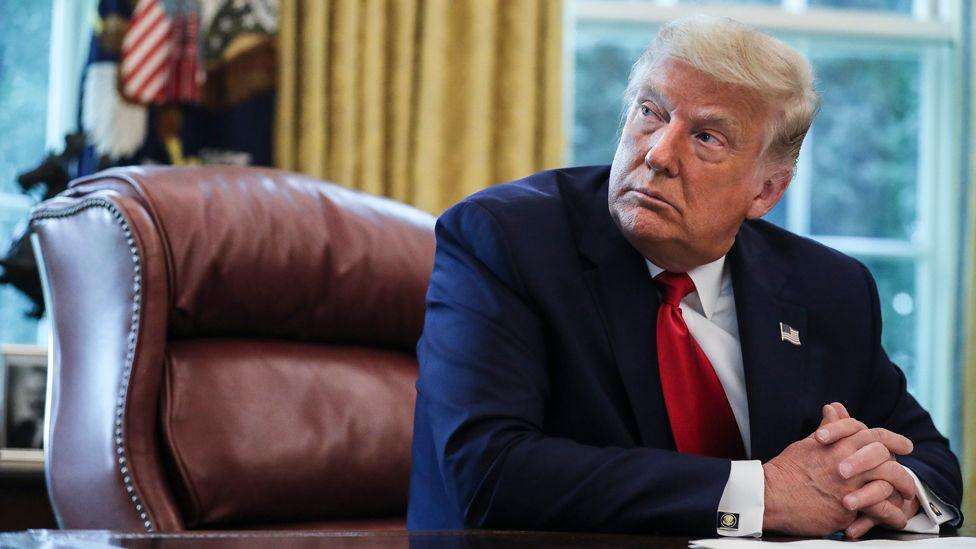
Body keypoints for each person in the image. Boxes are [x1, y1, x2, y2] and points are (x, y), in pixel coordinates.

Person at [406, 15, 962, 538]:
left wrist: (893, 489)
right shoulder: (506, 241)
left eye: (707, 138)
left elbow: (929, 460)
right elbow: (490, 472)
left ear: (766, 190)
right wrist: (766, 493)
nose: (659, 154)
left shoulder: (827, 288)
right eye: (651, 112)